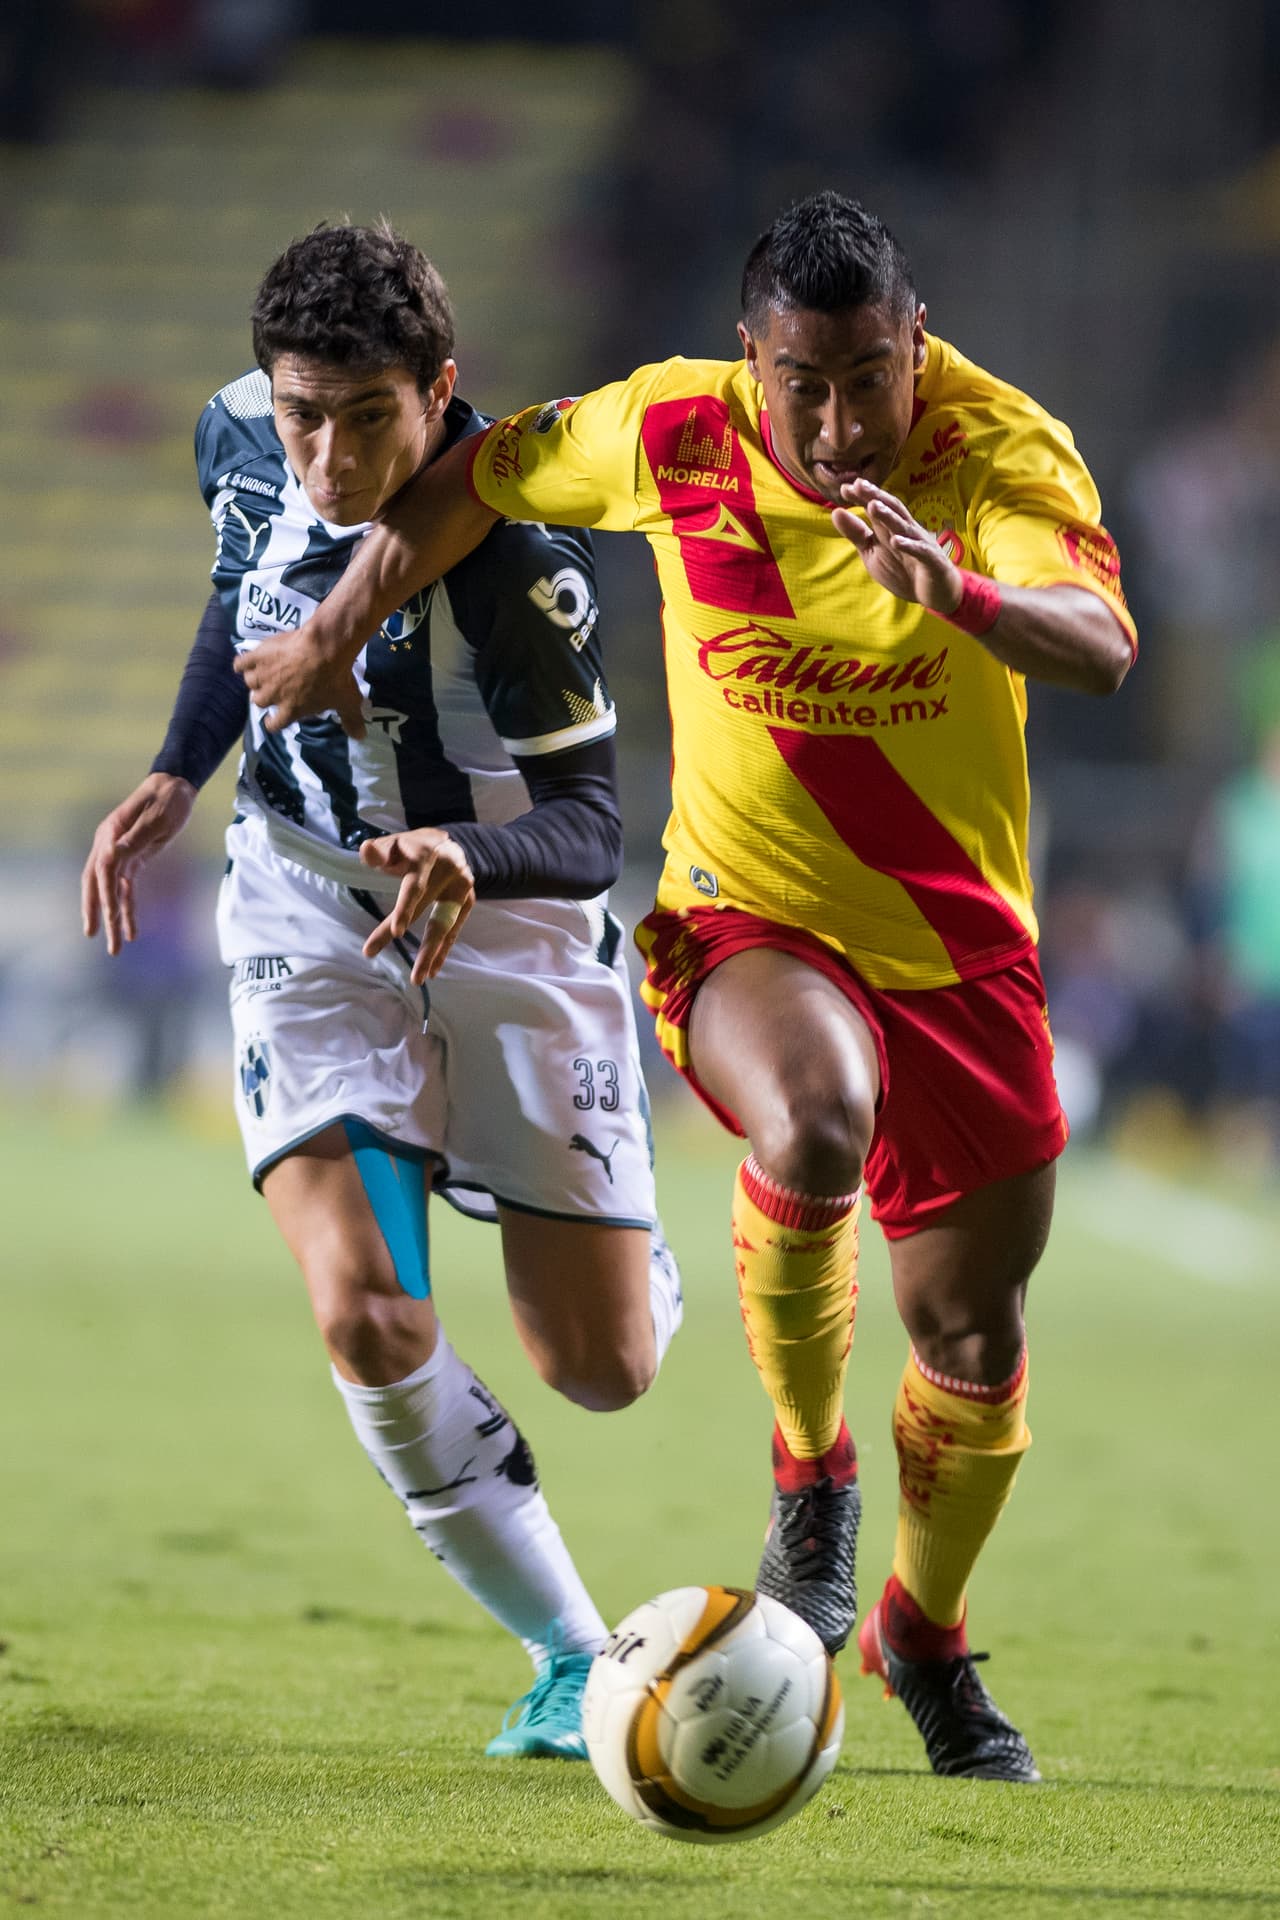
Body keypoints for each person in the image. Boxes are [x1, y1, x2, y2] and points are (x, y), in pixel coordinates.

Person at [235, 192, 1137, 1782]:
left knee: (976, 1341)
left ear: (916, 343)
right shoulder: (668, 430)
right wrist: (335, 625)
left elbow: (1102, 642)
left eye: (876, 375)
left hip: (960, 949)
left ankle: (921, 1636)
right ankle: (811, 1483)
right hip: (744, 919)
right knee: (812, 1120)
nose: (849, 419)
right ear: (753, 359)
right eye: (812, 383)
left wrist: (965, 599)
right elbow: (467, 479)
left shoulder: (1004, 454)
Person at [81, 221, 684, 1760]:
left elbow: (596, 825)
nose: (329, 457)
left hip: (507, 921)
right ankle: (568, 1656)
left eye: (369, 420)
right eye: (305, 415)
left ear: (442, 396)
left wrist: (470, 858)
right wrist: (172, 771)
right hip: (302, 907)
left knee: (602, 1369)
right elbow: (242, 597)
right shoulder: (238, 431)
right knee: (367, 1313)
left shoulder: (522, 572)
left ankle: (625, 1237)